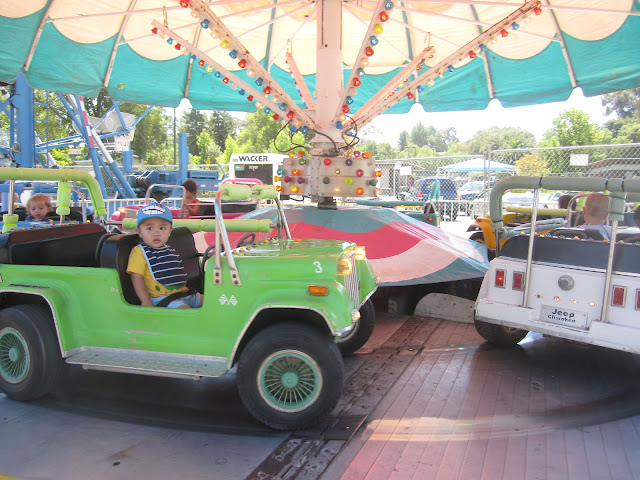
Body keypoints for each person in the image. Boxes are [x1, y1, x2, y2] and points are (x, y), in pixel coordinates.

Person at [126, 203, 203, 308]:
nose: (156, 233)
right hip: (162, 299)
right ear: (139, 232)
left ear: (169, 231)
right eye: (149, 228)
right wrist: (145, 300)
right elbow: (136, 276)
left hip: (184, 294)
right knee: (186, 311)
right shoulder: (139, 252)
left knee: (213, 301)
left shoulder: (169, 249)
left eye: (162, 228)